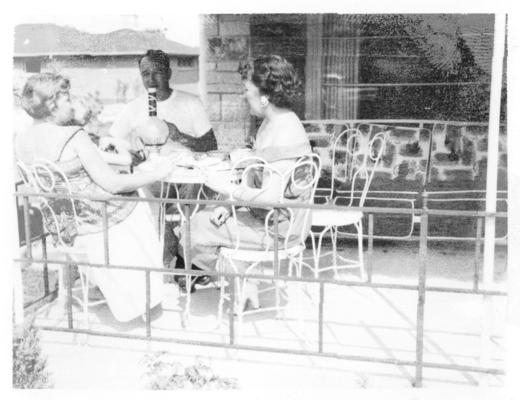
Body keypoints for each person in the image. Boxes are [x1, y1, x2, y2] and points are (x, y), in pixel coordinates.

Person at [15, 73, 176, 323]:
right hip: (93, 223)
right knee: (145, 200)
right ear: (52, 103)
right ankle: (140, 297)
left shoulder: (21, 141)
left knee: (137, 196)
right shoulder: (73, 135)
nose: (70, 104)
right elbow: (111, 184)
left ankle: (118, 289)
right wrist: (158, 172)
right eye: (66, 99)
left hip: (60, 225)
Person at [177, 55, 314, 301]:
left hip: (281, 230)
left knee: (193, 227)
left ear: (265, 96)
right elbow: (255, 176)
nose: (243, 95)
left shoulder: (284, 132)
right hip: (272, 219)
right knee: (203, 217)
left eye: (246, 89)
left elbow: (270, 197)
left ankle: (236, 279)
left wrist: (224, 187)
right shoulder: (273, 123)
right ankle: (239, 278)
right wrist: (229, 203)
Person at [104, 50, 217, 285]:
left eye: (157, 72)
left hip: (185, 178)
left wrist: (179, 135)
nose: (151, 80)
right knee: (148, 208)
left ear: (169, 73)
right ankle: (168, 264)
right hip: (152, 178)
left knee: (190, 212)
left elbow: (210, 145)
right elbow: (110, 142)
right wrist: (130, 153)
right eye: (146, 74)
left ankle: (189, 263)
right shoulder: (135, 106)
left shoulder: (189, 102)